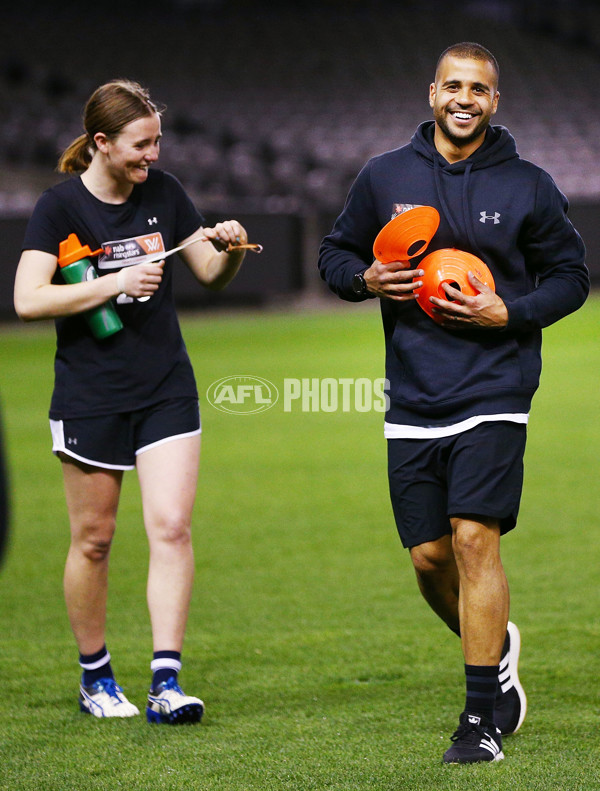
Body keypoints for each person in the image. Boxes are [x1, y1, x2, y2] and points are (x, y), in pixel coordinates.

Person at [318, 42, 589, 763]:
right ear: (431, 92)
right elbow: (334, 256)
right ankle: (497, 646)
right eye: (453, 85)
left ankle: (479, 722)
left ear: (495, 101)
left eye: (480, 88)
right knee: (430, 558)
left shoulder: (529, 184)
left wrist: (514, 313)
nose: (465, 98)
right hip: (413, 390)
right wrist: (365, 278)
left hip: (496, 386)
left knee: (474, 540)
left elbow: (571, 277)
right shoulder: (385, 176)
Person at [14, 79, 250, 724]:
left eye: (157, 142)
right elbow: (28, 300)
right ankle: (96, 679)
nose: (153, 155)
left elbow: (207, 272)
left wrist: (227, 251)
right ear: (102, 144)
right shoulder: (59, 208)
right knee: (94, 539)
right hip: (92, 394)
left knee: (171, 528)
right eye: (141, 145)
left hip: (165, 387)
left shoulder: (166, 194)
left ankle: (166, 682)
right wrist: (115, 281)